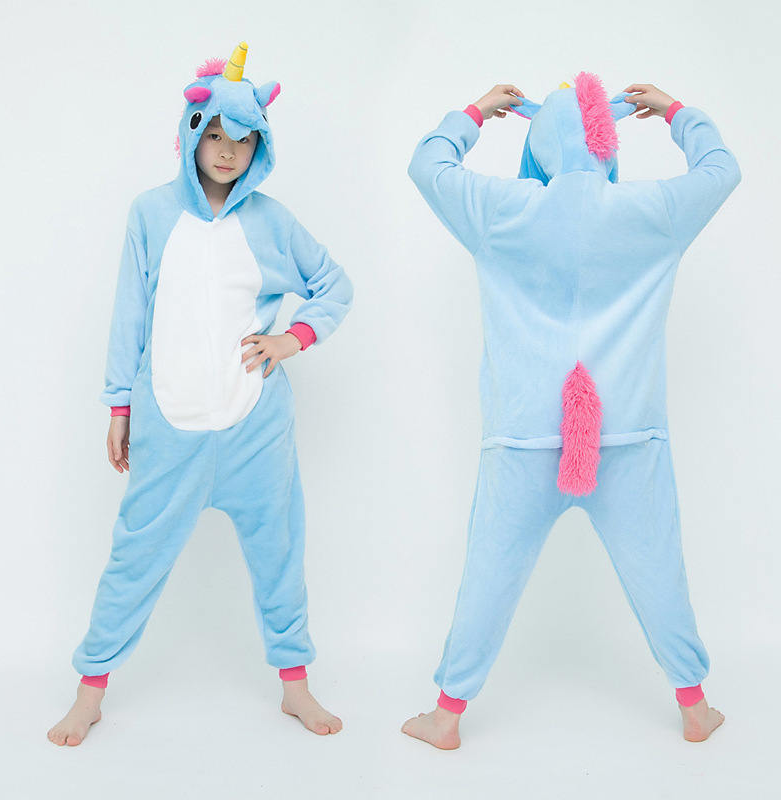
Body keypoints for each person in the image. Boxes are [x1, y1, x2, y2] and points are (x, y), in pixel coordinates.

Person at [401, 74, 740, 750]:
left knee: (488, 574)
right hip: (629, 434)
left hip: (523, 436)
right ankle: (695, 706)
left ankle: (447, 715)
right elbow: (721, 170)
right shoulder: (651, 210)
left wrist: (476, 113)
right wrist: (675, 112)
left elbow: (426, 165)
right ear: (607, 142)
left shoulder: (502, 208)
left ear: (540, 145)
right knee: (659, 571)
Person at [47, 42, 352, 747]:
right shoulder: (152, 213)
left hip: (256, 428)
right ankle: (91, 692)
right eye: (214, 134)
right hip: (170, 423)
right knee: (133, 560)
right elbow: (130, 314)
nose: (227, 150)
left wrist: (292, 338)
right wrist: (120, 406)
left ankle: (295, 686)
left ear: (259, 148)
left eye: (243, 139)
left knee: (280, 555)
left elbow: (334, 284)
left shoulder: (271, 221)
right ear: (191, 134)